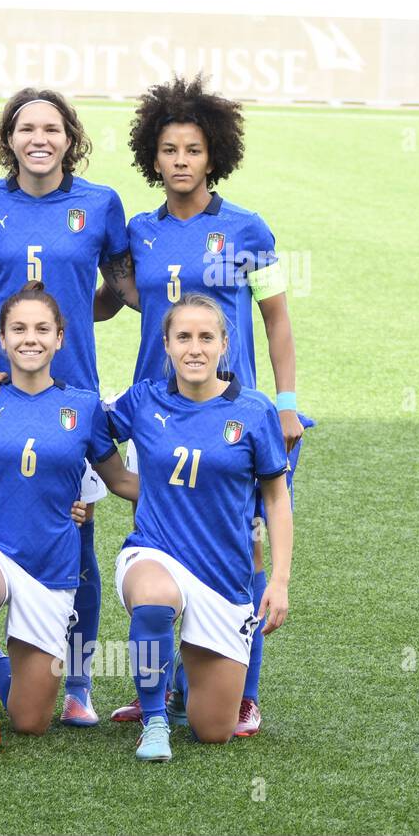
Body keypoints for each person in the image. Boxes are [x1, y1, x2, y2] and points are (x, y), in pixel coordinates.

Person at [102, 74, 310, 734]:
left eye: (193, 149)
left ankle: (241, 691)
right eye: (170, 150)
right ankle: (156, 684)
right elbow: (123, 301)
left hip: (236, 413)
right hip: (159, 409)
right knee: (164, 539)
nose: (182, 160)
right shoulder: (141, 232)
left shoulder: (247, 228)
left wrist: (284, 403)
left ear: (212, 155)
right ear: (152, 158)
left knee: (243, 548)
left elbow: (276, 321)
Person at [0, 88, 133, 724]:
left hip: (73, 393)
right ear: (10, 139)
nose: (39, 138)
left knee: (76, 534)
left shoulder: (101, 204)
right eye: (26, 128)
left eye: (52, 127)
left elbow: (123, 288)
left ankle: (77, 681)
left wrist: (73, 317)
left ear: (70, 137)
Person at [0, 286, 137, 754]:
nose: (30, 339)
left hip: (51, 565)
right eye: (18, 330)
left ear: (60, 339)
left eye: (41, 330)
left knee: (31, 722)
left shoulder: (85, 406)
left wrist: (199, 494)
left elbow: (120, 481)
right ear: (2, 338)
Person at [105, 293, 292, 761]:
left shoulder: (253, 411)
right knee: (152, 600)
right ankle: (153, 718)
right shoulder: (144, 400)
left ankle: (192, 662)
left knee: (213, 731)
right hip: (154, 553)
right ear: (165, 344)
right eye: (183, 337)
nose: (194, 348)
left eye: (206, 337)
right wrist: (119, 483)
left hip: (223, 576)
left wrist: (280, 581)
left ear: (223, 345)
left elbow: (275, 496)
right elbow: (74, 430)